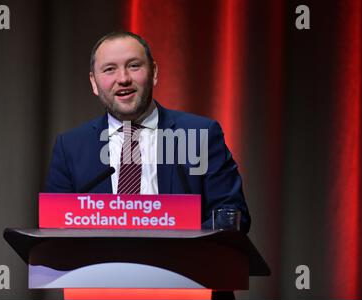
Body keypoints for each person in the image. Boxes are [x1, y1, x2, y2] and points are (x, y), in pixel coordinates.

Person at [45, 31, 251, 234]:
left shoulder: (200, 135)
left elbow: (231, 216)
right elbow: (54, 228)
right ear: (94, 83)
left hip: (180, 264)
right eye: (109, 69)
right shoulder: (71, 147)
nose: (123, 78)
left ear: (154, 73)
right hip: (100, 265)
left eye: (134, 66)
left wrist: (169, 246)